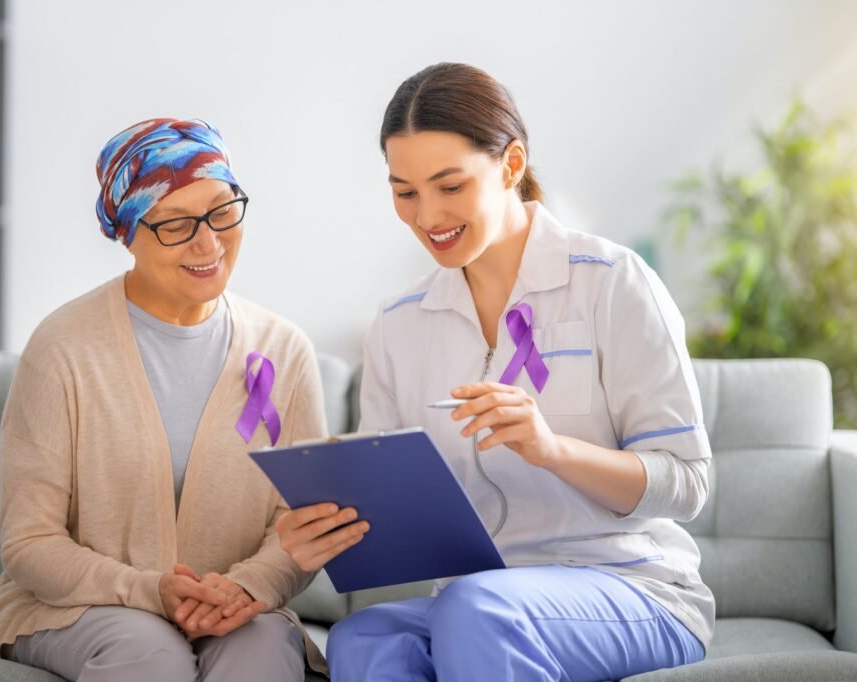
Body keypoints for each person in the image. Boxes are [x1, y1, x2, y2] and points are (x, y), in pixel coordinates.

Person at [276, 63, 714, 681]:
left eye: (449, 186)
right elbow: (395, 508)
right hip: (477, 597)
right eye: (405, 192)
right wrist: (328, 533)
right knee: (363, 637)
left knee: (476, 610)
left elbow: (687, 483)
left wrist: (552, 450)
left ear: (510, 165)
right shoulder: (401, 323)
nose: (427, 216)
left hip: (631, 588)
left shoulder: (612, 283)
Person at [0, 118, 328, 681]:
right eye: (176, 224)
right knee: (151, 652)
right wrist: (147, 591)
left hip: (240, 610)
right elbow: (30, 541)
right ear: (126, 232)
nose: (208, 242)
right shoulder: (61, 349)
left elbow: (299, 522)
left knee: (261, 652)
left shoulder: (284, 351)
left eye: (221, 211)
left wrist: (247, 586)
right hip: (82, 609)